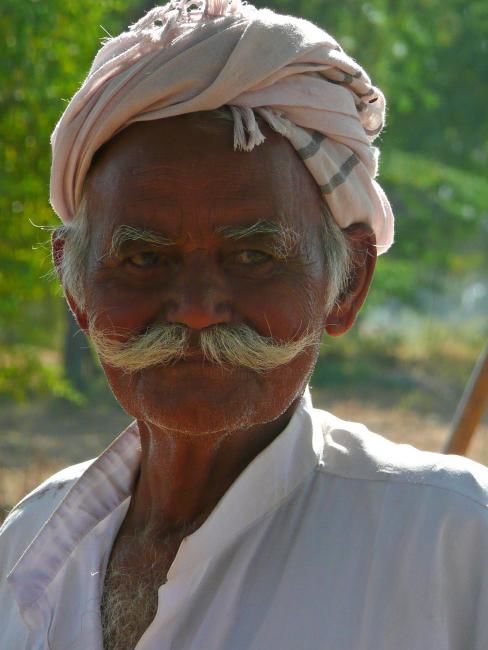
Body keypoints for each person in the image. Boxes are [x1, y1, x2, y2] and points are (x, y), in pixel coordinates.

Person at [1, 1, 487, 648]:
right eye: (145, 257)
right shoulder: (28, 541)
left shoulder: (453, 543)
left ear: (347, 286)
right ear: (76, 286)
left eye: (255, 256)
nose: (198, 307)